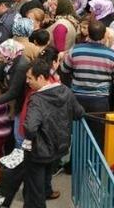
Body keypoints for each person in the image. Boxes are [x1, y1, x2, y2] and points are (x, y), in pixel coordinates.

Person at [21, 59, 84, 207]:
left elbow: (30, 127)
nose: (27, 81)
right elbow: (79, 113)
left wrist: (30, 139)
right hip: (59, 147)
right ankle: (46, 192)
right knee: (45, 177)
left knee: (35, 191)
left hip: (38, 151)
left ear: (41, 78)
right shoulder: (65, 91)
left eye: (30, 78)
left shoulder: (37, 99)